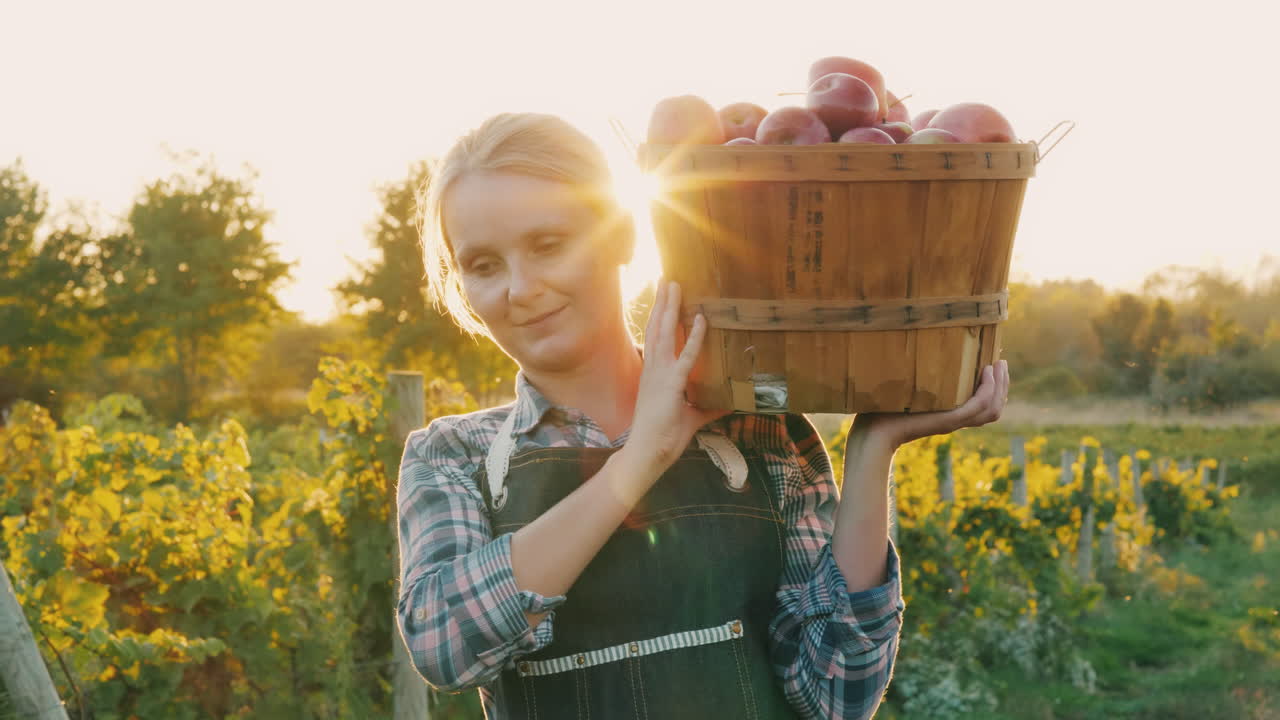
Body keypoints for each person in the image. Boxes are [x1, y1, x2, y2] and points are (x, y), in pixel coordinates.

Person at [395, 112, 1010, 720]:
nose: (520, 287)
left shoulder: (764, 437)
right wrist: (642, 458)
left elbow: (836, 693)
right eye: (482, 264)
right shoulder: (455, 456)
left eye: (548, 244)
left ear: (620, 236)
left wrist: (871, 448)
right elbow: (445, 646)